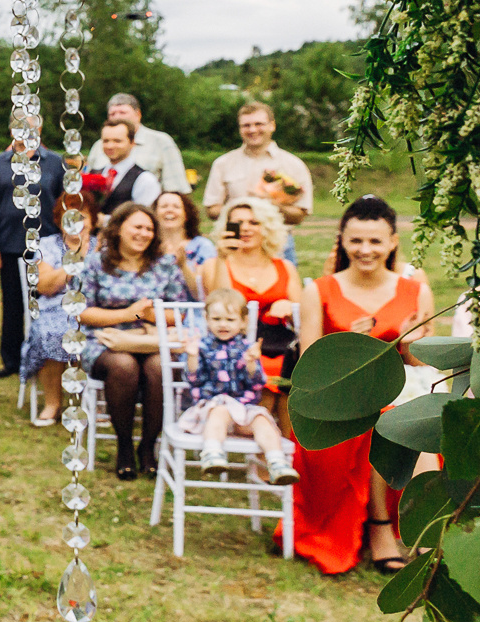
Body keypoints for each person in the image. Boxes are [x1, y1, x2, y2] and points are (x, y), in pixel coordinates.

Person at [289, 196, 437, 575]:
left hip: (403, 391)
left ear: (392, 242)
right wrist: (346, 349)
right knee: (383, 418)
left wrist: (410, 341)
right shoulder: (318, 290)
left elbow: (422, 363)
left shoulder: (415, 290)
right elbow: (309, 370)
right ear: (341, 241)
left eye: (375, 241)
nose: (365, 250)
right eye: (356, 241)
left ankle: (425, 530)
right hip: (337, 407)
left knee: (411, 416)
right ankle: (381, 527)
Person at [76, 202, 188, 480]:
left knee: (159, 368)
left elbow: (181, 310)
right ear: (118, 229)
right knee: (124, 366)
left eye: (149, 228)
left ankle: (148, 447)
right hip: (104, 340)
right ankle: (124, 445)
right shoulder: (96, 263)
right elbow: (81, 311)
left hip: (151, 339)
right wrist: (128, 314)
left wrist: (152, 317)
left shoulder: (164, 265)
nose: (144, 233)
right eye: (137, 226)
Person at [182, 288, 297, 482]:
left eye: (230, 319)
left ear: (243, 322)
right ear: (207, 319)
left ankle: (276, 462)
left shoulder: (246, 348)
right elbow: (194, 380)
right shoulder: (202, 347)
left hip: (242, 412)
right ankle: (212, 453)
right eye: (217, 319)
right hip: (210, 412)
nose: (223, 324)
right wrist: (192, 357)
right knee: (221, 410)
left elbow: (258, 383)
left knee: (262, 418)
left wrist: (251, 363)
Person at [0, 116, 64, 379]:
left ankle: (45, 359)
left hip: (46, 246)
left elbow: (65, 204)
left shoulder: (55, 162)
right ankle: (12, 360)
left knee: (47, 302)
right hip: (9, 244)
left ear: (39, 128)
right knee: (14, 304)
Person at [208, 197, 300, 394]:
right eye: (238, 223)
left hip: (280, 346)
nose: (246, 228)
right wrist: (223, 257)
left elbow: (303, 319)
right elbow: (220, 303)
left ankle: (285, 426)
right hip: (233, 348)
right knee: (271, 371)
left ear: (267, 228)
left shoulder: (285, 267)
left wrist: (289, 307)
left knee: (291, 371)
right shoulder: (215, 264)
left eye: (254, 222)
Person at [201, 101, 311, 263]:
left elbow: (299, 216)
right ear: (240, 129)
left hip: (278, 246)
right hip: (234, 241)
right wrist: (241, 209)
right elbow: (211, 210)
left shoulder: (293, 165)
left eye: (259, 124)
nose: (252, 130)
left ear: (272, 125)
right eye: (246, 125)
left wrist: (271, 205)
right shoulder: (223, 163)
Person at [20, 190, 93, 426]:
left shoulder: (106, 246)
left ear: (93, 220)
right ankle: (53, 403)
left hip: (95, 309)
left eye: (81, 217)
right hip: (55, 307)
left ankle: (93, 401)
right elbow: (45, 286)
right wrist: (77, 259)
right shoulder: (47, 246)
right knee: (51, 332)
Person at [105, 94, 188, 193]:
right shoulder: (100, 145)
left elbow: (176, 189)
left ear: (138, 115)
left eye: (123, 112)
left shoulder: (161, 141)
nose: (117, 117)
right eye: (112, 114)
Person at [85, 119, 161, 217]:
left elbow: (144, 218)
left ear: (132, 143)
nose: (110, 146)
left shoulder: (145, 179)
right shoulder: (94, 172)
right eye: (106, 141)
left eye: (117, 141)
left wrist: (103, 221)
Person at [152, 190, 216, 301]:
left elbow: (207, 294)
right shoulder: (147, 246)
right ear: (155, 214)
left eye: (176, 207)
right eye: (164, 206)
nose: (169, 210)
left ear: (186, 215)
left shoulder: (202, 246)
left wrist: (183, 266)